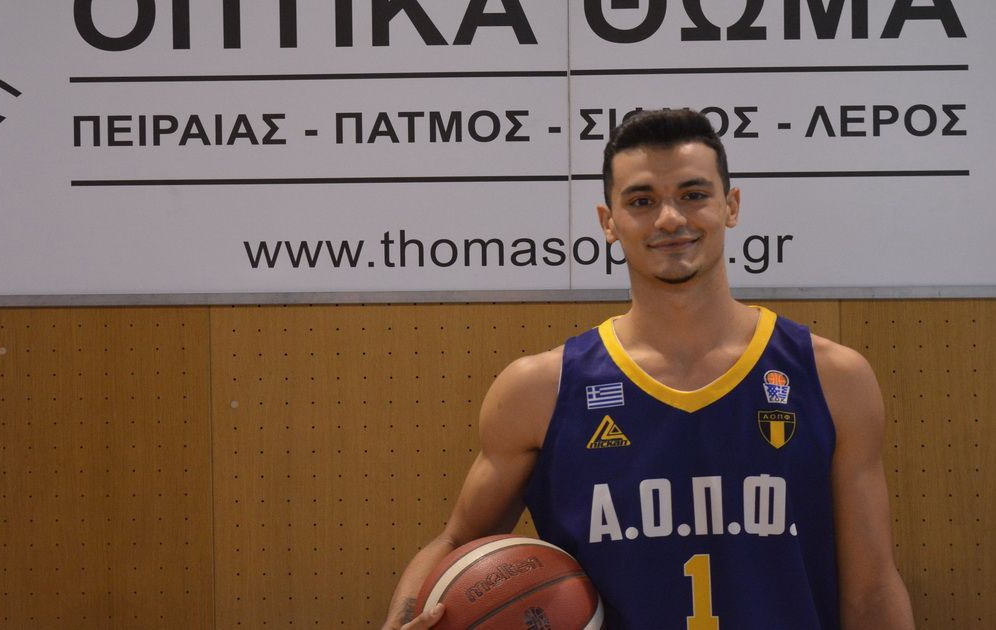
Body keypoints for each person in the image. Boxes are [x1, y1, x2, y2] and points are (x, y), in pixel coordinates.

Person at [380, 109, 915, 629]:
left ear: (731, 206)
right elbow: (457, 543)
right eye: (641, 201)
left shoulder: (831, 378)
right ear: (608, 222)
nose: (670, 219)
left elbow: (870, 590)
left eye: (693, 194)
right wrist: (402, 620)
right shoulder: (540, 391)